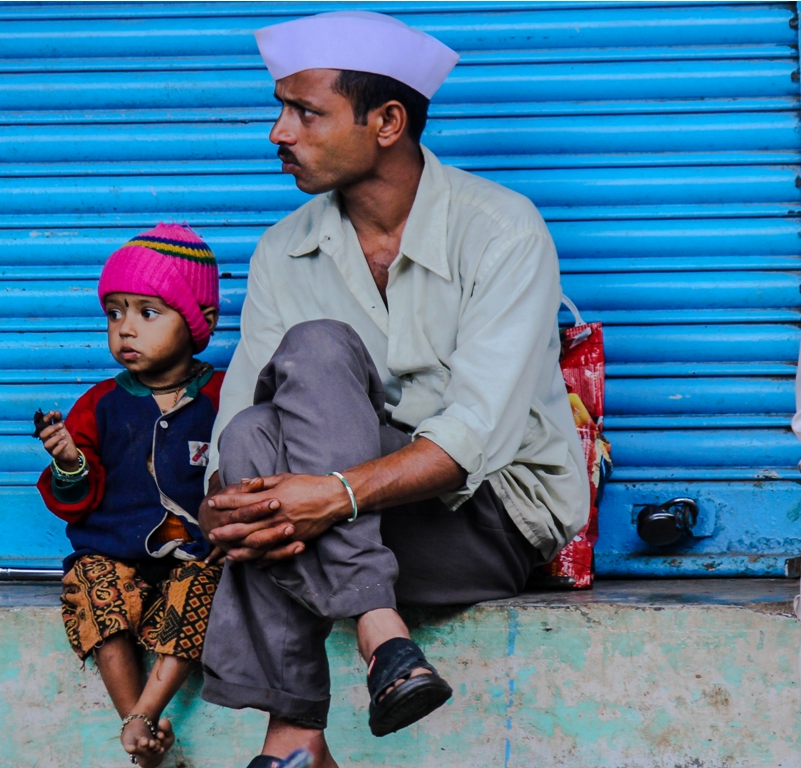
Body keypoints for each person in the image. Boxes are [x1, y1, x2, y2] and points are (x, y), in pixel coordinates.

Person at [195, 12, 590, 768]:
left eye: (304, 111)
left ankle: (294, 734)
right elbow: (236, 425)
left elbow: (469, 436)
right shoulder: (285, 249)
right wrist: (226, 501)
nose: (279, 132)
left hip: (485, 518)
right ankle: (384, 639)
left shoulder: (502, 230)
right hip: (367, 534)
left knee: (306, 361)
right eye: (280, 109)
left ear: (387, 122)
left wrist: (330, 496)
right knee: (250, 438)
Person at [35, 223, 225, 768]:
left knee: (203, 586)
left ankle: (149, 709)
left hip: (192, 555)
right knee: (92, 586)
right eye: (114, 313)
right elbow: (76, 494)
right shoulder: (98, 403)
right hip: (114, 554)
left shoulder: (223, 394)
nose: (125, 330)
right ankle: (135, 723)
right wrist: (70, 464)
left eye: (147, 313)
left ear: (200, 323)